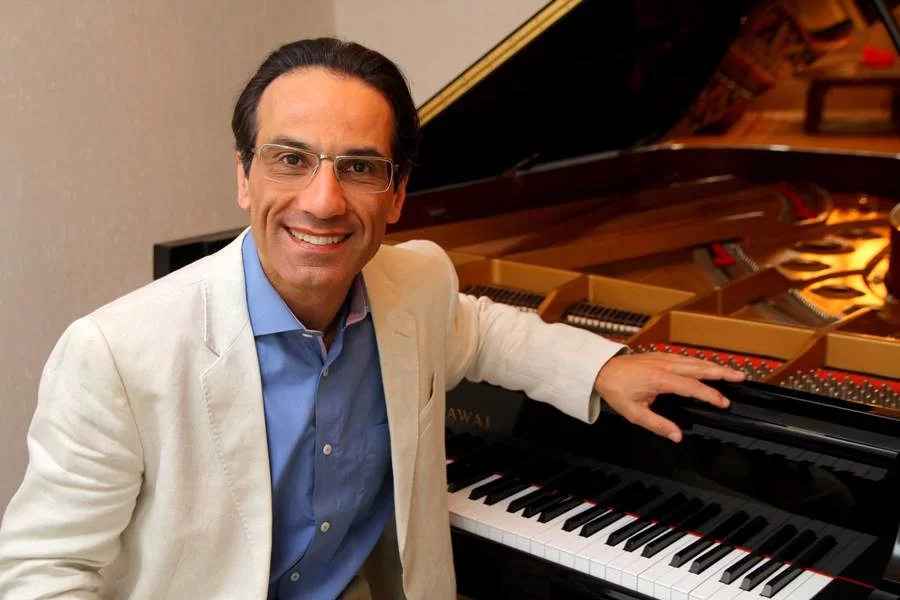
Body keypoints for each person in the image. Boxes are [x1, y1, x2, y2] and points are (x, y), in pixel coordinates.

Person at [0, 37, 745, 599]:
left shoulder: (415, 284)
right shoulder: (114, 354)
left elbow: (483, 329)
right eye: (291, 159)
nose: (323, 201)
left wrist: (603, 366)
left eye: (359, 167)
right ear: (243, 175)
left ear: (397, 194)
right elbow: (42, 574)